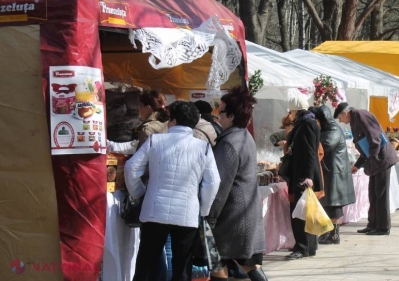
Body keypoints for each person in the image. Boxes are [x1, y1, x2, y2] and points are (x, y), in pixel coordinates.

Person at [126, 100, 221, 281]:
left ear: (174, 121)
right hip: (187, 213)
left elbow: (131, 168)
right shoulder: (203, 147)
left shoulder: (155, 140)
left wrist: (139, 193)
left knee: (146, 264)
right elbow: (213, 182)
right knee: (182, 267)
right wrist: (203, 209)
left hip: (154, 210)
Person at [207, 87, 268, 281]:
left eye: (221, 112)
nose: (218, 116)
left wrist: (210, 217)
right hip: (244, 212)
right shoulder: (243, 136)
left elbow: (219, 185)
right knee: (246, 264)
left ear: (231, 116)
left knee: (217, 262)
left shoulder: (229, 143)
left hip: (232, 216)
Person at [335, 102, 397, 235]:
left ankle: (383, 227)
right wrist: (357, 165)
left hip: (381, 159)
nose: (341, 121)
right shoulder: (354, 119)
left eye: (340, 118)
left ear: (345, 113)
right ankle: (373, 224)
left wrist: (372, 159)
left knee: (381, 194)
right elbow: (363, 144)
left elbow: (374, 139)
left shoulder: (361, 115)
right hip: (375, 160)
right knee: (373, 194)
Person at [309, 105, 355, 245]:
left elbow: (325, 145)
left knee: (334, 204)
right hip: (331, 171)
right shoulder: (328, 128)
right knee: (328, 203)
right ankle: (328, 232)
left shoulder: (333, 130)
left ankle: (334, 235)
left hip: (335, 173)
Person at [283, 108, 324, 259]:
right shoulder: (305, 123)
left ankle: (303, 246)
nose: (290, 113)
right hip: (300, 173)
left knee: (301, 211)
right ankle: (306, 245)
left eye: (291, 110)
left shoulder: (308, 124)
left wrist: (308, 175)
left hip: (302, 176)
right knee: (302, 210)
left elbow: (310, 152)